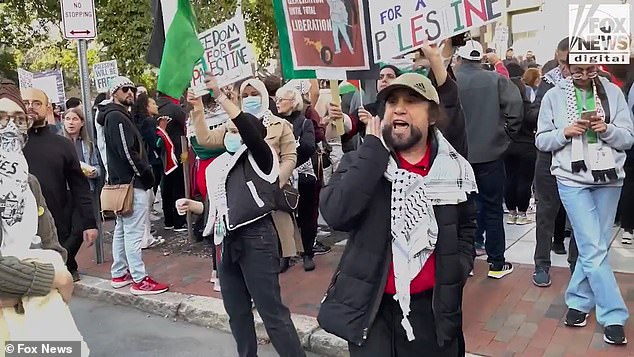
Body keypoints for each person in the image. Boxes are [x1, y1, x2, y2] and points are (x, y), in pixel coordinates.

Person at [318, 73, 476, 356]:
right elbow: (336, 214)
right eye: (392, 102)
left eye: (411, 101)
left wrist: (457, 269)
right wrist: (373, 153)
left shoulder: (454, 170)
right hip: (374, 313)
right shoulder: (363, 160)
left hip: (433, 315)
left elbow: (466, 227)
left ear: (431, 116)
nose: (399, 108)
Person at [181, 72, 305, 357]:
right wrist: (196, 207)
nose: (234, 135)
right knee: (237, 313)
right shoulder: (218, 166)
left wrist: (222, 96)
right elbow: (220, 206)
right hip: (224, 242)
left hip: (256, 238)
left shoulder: (262, 158)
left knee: (271, 312)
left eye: (239, 131)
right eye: (231, 132)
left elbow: (249, 131)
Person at [536, 60, 633, 345]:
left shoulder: (613, 93)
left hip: (609, 178)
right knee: (592, 246)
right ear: (565, 67)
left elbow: (627, 138)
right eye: (577, 70)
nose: (584, 76)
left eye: (590, 70)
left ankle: (578, 299)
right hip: (571, 179)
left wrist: (606, 130)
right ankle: (614, 314)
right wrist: (564, 132)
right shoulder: (554, 96)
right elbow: (542, 140)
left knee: (595, 246)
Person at [191, 77, 299, 273]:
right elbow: (205, 139)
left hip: (272, 191)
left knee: (277, 246)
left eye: (255, 94)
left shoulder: (280, 125)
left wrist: (275, 183)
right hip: (242, 197)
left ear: (264, 95)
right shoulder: (232, 124)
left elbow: (290, 157)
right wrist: (197, 109)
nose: (250, 99)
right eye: (245, 95)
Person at [454, 40, 522, 278]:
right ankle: (496, 263)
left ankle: (465, 262)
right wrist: (505, 136)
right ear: (481, 59)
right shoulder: (495, 80)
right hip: (490, 155)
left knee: (460, 211)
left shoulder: (450, 81)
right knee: (492, 209)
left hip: (457, 157)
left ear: (460, 58)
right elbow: (515, 108)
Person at [96, 76, 168, 295]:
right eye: (124, 88)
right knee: (133, 233)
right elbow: (127, 151)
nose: (130, 92)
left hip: (123, 183)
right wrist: (145, 175)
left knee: (122, 230)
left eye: (132, 89)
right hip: (131, 183)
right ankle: (139, 278)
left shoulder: (114, 116)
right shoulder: (116, 116)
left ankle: (119, 272)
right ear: (114, 93)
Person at [21, 88, 98, 282]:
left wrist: (89, 223)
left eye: (36, 103)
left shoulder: (62, 145)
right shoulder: (10, 144)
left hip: (56, 228)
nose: (30, 107)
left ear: (48, 108)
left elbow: (79, 186)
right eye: (26, 102)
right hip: (18, 231)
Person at [530, 37, 579, 287]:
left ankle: (575, 266)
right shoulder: (549, 81)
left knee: (579, 215)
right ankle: (541, 263)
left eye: (571, 63)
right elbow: (535, 114)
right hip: (549, 156)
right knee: (545, 213)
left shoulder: (595, 85)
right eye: (562, 62)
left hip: (580, 158)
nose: (565, 69)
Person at [276, 85, 318, 271]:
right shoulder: (274, 122)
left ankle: (308, 253)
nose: (277, 103)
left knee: (307, 215)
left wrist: (289, 158)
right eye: (276, 100)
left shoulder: (304, 123)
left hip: (303, 175)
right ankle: (285, 255)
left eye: (281, 100)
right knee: (284, 217)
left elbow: (309, 146)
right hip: (281, 177)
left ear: (293, 102)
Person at [131, 93, 165, 250]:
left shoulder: (135, 121)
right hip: (151, 162)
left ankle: (144, 235)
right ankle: (146, 237)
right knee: (148, 199)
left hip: (144, 162)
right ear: (146, 106)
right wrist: (162, 132)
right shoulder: (149, 122)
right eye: (152, 103)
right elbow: (155, 143)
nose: (156, 106)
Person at [504, 67, 536, 226]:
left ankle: (511, 212)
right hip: (528, 146)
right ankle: (522, 213)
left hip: (509, 146)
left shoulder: (505, 108)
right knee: (525, 181)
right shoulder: (529, 107)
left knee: (510, 179)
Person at [156, 92, 188, 231]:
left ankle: (168, 220)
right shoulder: (174, 109)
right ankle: (179, 221)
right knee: (178, 186)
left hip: (161, 152)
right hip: (177, 151)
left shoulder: (154, 108)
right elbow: (186, 126)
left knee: (166, 186)